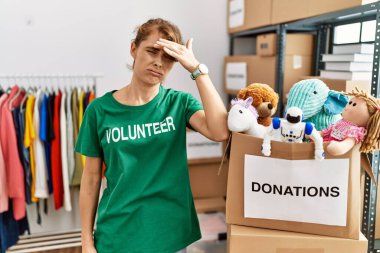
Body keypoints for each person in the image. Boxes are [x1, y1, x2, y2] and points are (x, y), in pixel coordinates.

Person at [75, 18, 229, 253]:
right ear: (133, 49)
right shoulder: (99, 110)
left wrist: (197, 70)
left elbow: (219, 131)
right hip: (117, 235)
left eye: (168, 58)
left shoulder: (179, 103)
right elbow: (91, 180)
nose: (159, 62)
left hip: (170, 235)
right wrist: (86, 241)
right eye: (152, 51)